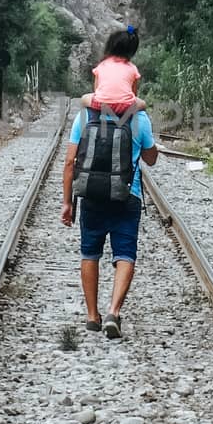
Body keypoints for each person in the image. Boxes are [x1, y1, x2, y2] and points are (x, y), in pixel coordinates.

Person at [61, 65, 158, 339]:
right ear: (132, 87)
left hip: (91, 195)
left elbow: (70, 162)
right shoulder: (140, 118)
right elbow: (150, 158)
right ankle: (113, 312)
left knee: (90, 252)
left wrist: (67, 202)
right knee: (125, 253)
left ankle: (92, 316)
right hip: (128, 195)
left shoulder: (85, 115)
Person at [80, 25, 145, 118]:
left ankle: (88, 120)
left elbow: (96, 90)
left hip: (101, 105)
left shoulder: (102, 65)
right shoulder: (132, 68)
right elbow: (134, 94)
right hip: (125, 108)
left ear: (110, 46)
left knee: (84, 98)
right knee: (143, 103)